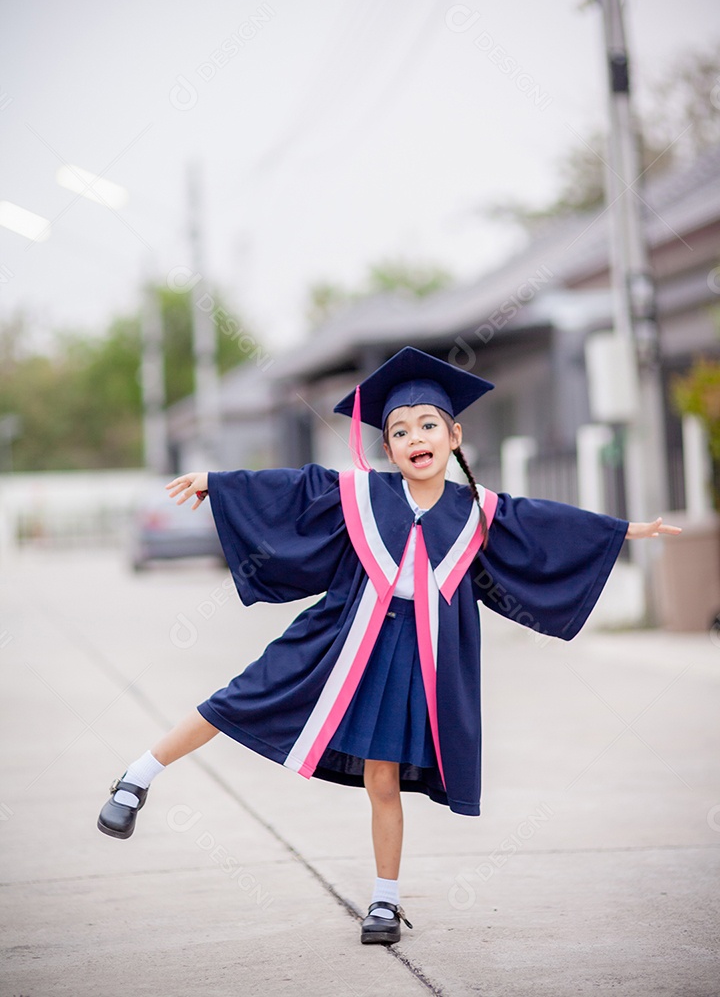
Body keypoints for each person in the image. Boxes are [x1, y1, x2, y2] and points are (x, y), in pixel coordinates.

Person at [97, 346, 681, 945]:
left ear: (454, 435)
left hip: (415, 659)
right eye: (399, 430)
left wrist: (623, 531)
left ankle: (383, 901)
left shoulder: (478, 512)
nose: (415, 437)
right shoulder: (362, 495)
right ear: (387, 448)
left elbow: (545, 525)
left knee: (383, 779)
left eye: (429, 425)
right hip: (342, 635)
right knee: (241, 697)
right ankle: (137, 777)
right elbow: (293, 491)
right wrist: (216, 484)